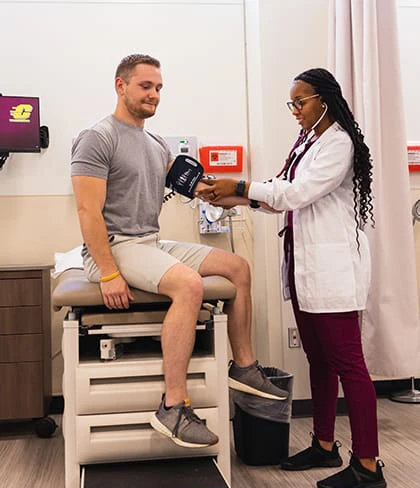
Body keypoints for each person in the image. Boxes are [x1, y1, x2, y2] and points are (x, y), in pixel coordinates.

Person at [71, 53, 288, 450]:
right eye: (145, 86)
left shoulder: (155, 144)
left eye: (158, 88)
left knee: (237, 267)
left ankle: (243, 366)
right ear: (121, 86)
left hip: (149, 241)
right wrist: (107, 272)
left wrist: (244, 194)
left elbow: (198, 187)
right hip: (116, 245)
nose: (154, 95)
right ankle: (173, 405)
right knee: (189, 285)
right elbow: (87, 211)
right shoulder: (97, 137)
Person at [196, 68, 387, 488]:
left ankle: (369, 463)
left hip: (333, 270)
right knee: (317, 360)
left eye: (300, 102)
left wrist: (242, 184)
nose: (295, 111)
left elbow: (298, 194)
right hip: (304, 269)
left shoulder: (338, 143)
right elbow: (282, 193)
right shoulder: (309, 142)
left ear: (323, 99)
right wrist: (232, 195)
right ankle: (323, 444)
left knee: (349, 365)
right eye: (292, 104)